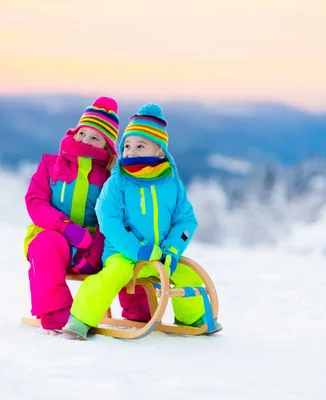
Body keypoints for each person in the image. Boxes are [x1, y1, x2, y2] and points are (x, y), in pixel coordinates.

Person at [62, 103, 223, 339]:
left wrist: (172, 249)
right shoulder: (118, 182)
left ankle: (192, 320)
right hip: (123, 253)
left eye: (140, 145)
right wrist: (135, 249)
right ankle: (80, 319)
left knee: (189, 276)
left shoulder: (172, 185)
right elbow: (108, 218)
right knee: (112, 276)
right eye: (127, 145)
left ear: (160, 152)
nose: (131, 151)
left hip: (159, 255)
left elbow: (186, 220)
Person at [23, 96, 150, 330]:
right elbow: (35, 201)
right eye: (83, 133)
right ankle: (56, 312)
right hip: (54, 238)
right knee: (45, 244)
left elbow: (114, 218)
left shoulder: (112, 178)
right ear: (75, 132)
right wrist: (64, 227)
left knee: (124, 252)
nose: (86, 141)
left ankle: (138, 309)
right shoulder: (51, 166)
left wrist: (93, 253)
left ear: (107, 146)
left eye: (95, 138)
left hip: (93, 245)